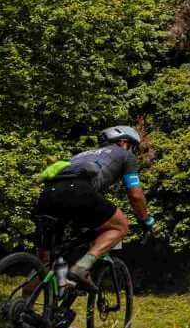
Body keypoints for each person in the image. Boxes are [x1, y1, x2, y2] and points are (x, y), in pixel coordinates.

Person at [33, 125, 154, 292]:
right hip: (78, 190)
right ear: (124, 142)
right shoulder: (126, 156)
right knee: (121, 225)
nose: (133, 151)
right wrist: (145, 220)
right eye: (133, 147)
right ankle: (81, 267)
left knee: (43, 263)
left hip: (47, 194)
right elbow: (135, 195)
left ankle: (22, 307)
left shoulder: (81, 155)